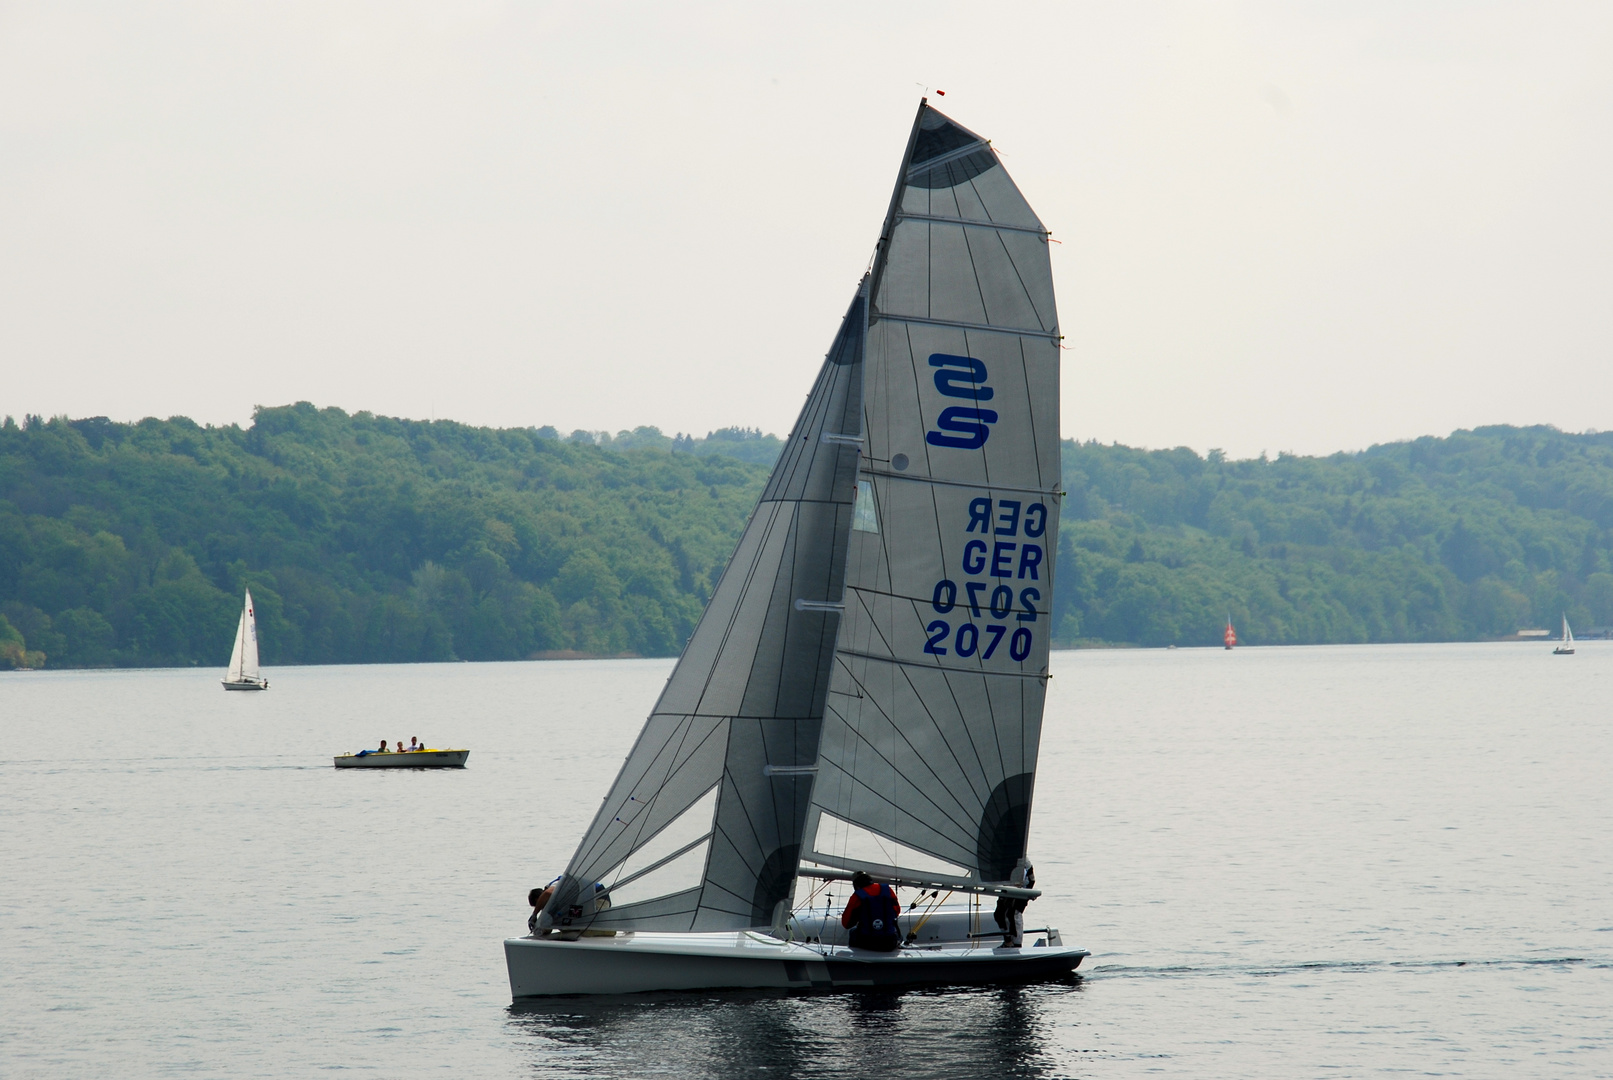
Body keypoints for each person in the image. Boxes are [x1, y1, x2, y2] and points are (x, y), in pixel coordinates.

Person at [840, 870, 901, 951]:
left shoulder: (857, 896)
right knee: (895, 933)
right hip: (889, 942)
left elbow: (846, 924)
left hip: (866, 942)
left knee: (853, 932)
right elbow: (897, 911)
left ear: (856, 885)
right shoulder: (888, 890)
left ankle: (857, 957)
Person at [993, 864, 1035, 948]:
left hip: (1022, 887)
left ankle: (1017, 944)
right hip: (1007, 884)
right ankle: (1008, 941)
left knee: (1013, 913)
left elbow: (1031, 878)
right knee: (998, 914)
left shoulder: (1024, 860)